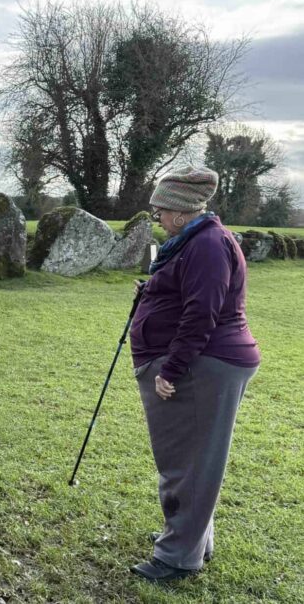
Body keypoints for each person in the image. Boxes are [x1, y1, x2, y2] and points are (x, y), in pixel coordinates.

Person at [128, 166, 260, 581]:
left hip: (206, 366)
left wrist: (173, 368)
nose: (156, 217)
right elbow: (190, 294)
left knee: (189, 464)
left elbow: (202, 313)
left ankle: (177, 557)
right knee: (191, 460)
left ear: (182, 212)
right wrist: (152, 292)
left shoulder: (206, 244)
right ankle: (189, 540)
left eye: (160, 210)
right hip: (205, 363)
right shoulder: (194, 240)